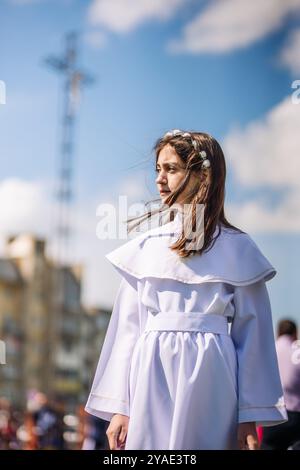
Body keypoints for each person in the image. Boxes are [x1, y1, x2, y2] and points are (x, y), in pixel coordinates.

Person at [85, 129, 287, 450]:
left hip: (214, 377)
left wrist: (247, 414)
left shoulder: (239, 249)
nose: (159, 179)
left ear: (202, 175)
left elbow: (253, 335)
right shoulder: (145, 247)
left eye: (171, 169)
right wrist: (120, 408)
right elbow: (127, 331)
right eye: (157, 170)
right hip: (150, 373)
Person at [261, 319, 300, 450]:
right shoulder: (296, 351)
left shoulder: (269, 349)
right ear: (295, 333)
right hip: (296, 415)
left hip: (273, 415)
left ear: (278, 332)